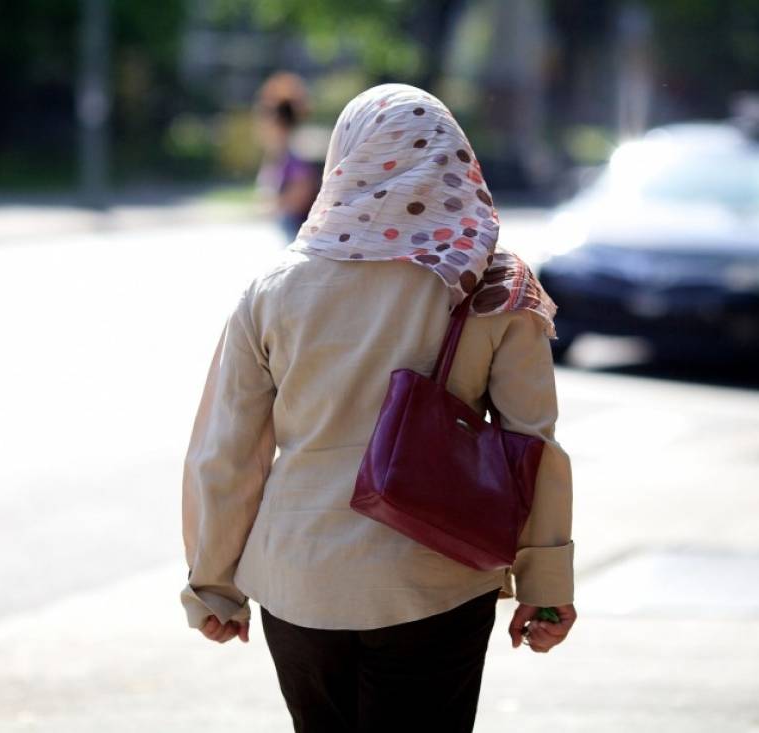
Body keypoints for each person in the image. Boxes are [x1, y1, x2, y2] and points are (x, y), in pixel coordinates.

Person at [181, 83, 576, 733]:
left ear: (346, 159)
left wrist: (212, 583)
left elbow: (228, 450)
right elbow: (534, 444)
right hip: (438, 577)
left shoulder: (275, 289)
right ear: (455, 159)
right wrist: (546, 580)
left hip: (300, 577)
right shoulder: (495, 281)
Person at [253, 72, 320, 242]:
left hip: (296, 233)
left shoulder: (295, 154)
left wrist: (274, 206)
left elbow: (301, 191)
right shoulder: (281, 153)